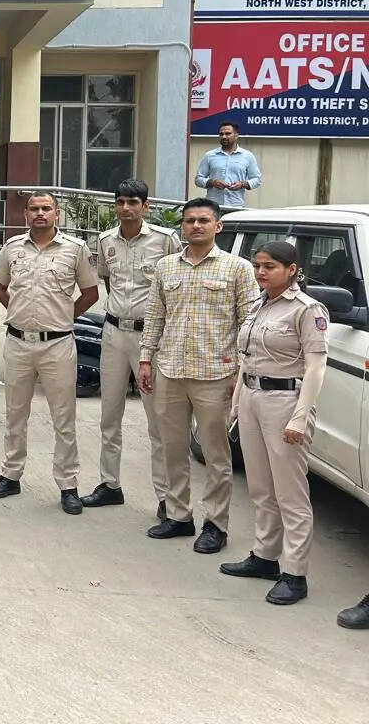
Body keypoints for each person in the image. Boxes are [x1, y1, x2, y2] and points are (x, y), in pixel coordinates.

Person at [140, 197, 257, 551]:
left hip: (215, 375)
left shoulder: (237, 269)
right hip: (170, 371)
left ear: (217, 226)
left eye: (203, 220)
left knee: (215, 455)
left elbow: (249, 325)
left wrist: (240, 372)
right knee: (173, 449)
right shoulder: (165, 267)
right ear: (182, 226)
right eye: (189, 220)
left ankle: (216, 525)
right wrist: (145, 360)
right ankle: (178, 516)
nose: (196, 226)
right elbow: (155, 317)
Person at [219, 241, 327, 605]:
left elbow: (316, 367)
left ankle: (295, 574)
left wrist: (300, 416)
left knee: (290, 494)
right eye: (257, 265)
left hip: (285, 401)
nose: (261, 272)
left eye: (270, 266)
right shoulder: (257, 304)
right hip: (252, 397)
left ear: (292, 269)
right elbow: (246, 359)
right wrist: (237, 404)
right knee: (261, 488)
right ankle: (265, 556)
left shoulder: (307, 309)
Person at [0, 192, 99, 514]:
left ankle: (68, 484)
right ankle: (11, 475)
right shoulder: (12, 248)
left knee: (64, 417)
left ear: (56, 214)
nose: (40, 213)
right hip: (18, 342)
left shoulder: (75, 249)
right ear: (25, 214)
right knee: (15, 414)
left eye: (46, 208)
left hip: (58, 345)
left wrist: (63, 317)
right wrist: (18, 313)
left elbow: (90, 293)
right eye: (34, 208)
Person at [81, 181, 181, 516]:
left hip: (150, 337)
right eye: (121, 202)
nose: (126, 208)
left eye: (133, 202)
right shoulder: (106, 240)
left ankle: (166, 498)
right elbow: (108, 280)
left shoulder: (165, 240)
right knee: (109, 414)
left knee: (158, 421)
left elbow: (175, 284)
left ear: (145, 205)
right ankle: (110, 485)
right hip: (113, 332)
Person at [194, 121, 262, 209]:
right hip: (213, 206)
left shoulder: (247, 156)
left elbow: (257, 180)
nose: (224, 137)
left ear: (236, 136)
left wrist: (242, 184)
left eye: (228, 134)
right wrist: (212, 182)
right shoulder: (210, 155)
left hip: (236, 206)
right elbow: (198, 179)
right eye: (221, 134)